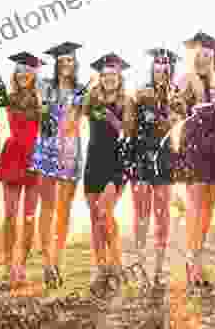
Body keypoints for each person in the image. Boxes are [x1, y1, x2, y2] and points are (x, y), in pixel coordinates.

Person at [29, 42, 85, 288]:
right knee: (48, 207)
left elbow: (78, 118)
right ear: (56, 64)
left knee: (64, 210)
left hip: (70, 151)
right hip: (47, 149)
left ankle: (56, 261)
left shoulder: (82, 91)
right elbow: (27, 85)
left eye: (70, 60)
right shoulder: (45, 86)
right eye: (62, 61)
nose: (66, 64)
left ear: (75, 64)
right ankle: (47, 264)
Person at [175, 31, 215, 287]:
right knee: (195, 207)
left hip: (214, 150)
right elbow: (174, 106)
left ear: (213, 57)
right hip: (193, 148)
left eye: (207, 54)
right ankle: (192, 261)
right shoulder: (185, 79)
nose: (203, 58)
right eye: (198, 54)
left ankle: (196, 255)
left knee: (209, 207)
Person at [81, 53, 136, 284]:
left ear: (120, 77)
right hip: (93, 162)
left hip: (116, 163)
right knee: (96, 217)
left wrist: (114, 119)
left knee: (105, 211)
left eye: (113, 74)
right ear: (100, 78)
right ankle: (100, 266)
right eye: (104, 75)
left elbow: (130, 132)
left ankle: (116, 262)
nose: (109, 78)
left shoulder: (127, 102)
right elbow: (78, 115)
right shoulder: (92, 99)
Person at [0, 52, 43, 290]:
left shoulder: (41, 101)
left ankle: (21, 268)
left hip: (35, 155)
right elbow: (0, 100)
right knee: (11, 216)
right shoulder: (9, 98)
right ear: (15, 74)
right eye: (20, 71)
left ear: (34, 75)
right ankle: (7, 269)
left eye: (28, 71)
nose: (24, 75)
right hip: (13, 154)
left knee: (29, 216)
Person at [131, 48, 180, 282]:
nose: (161, 70)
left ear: (171, 70)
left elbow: (174, 125)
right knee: (141, 213)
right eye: (157, 66)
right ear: (153, 68)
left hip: (165, 157)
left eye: (166, 66)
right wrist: (138, 102)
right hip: (141, 155)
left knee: (162, 213)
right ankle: (140, 260)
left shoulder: (176, 95)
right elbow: (130, 123)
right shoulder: (142, 91)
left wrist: (164, 114)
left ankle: (159, 267)